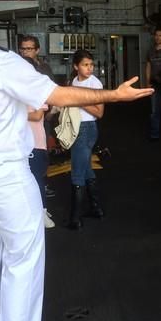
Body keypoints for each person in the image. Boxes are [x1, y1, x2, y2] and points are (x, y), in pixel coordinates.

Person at [0, 0, 152, 321]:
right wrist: (115, 95)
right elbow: (57, 95)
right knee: (22, 262)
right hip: (6, 175)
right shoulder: (1, 62)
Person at [68, 49, 104, 230]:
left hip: (87, 128)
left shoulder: (95, 83)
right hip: (77, 127)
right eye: (85, 65)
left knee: (77, 172)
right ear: (76, 66)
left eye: (91, 65)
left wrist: (79, 101)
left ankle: (75, 219)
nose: (90, 68)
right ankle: (97, 209)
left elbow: (99, 112)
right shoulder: (75, 80)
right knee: (87, 170)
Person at [23, 57, 55, 229]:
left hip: (35, 143)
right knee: (30, 180)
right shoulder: (17, 90)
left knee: (36, 179)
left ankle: (42, 212)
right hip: (23, 143)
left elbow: (36, 116)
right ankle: (37, 211)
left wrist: (11, 114)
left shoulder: (35, 91)